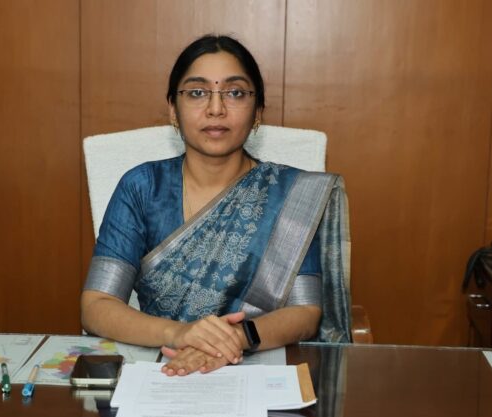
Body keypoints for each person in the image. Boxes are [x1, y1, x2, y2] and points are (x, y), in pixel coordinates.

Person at [81, 34, 350, 376]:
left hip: (255, 368)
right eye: (197, 92)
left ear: (257, 111)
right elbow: (97, 305)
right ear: (173, 110)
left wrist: (238, 337)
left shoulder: (292, 195)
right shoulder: (143, 187)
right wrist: (180, 333)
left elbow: (305, 313)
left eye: (235, 93)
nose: (216, 108)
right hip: (161, 368)